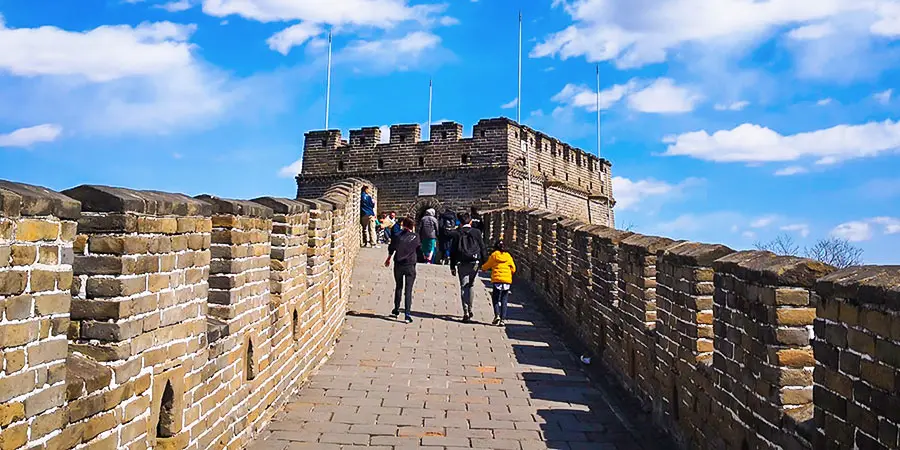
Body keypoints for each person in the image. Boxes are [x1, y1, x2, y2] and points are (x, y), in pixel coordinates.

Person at [449, 213, 488, 322]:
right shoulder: (476, 232)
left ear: (460, 222)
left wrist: (452, 266)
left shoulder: (457, 233)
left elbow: (453, 251)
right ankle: (470, 308)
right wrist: (485, 263)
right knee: (470, 285)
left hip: (462, 262)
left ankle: (465, 311)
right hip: (474, 262)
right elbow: (482, 247)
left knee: (463, 286)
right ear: (470, 221)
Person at [384, 217, 422, 323]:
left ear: (403, 225)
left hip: (398, 264)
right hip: (410, 265)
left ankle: (396, 309)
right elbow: (419, 249)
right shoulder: (416, 237)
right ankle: (407, 314)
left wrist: (388, 258)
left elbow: (391, 248)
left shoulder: (397, 236)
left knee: (399, 286)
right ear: (412, 226)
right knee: (408, 290)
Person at [481, 240, 516, 326]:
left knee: (495, 298)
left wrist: (483, 268)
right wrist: (509, 273)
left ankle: (497, 315)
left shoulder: (494, 255)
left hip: (497, 280)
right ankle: (503, 319)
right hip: (507, 280)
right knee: (504, 300)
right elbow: (513, 268)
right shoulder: (508, 256)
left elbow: (487, 265)